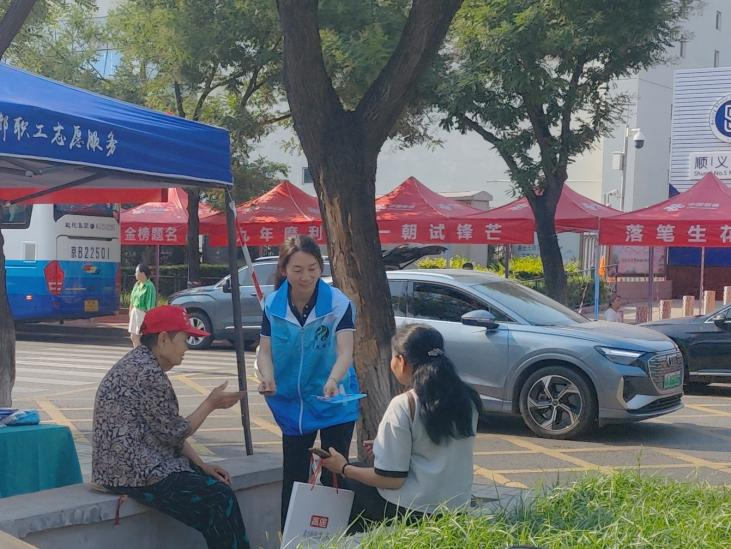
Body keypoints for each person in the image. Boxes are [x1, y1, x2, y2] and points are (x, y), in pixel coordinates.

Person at [92, 305, 250, 549]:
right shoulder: (148, 374)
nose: (187, 348)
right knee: (219, 498)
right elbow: (177, 432)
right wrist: (210, 403)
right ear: (164, 339)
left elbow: (167, 431)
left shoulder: (140, 363)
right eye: (184, 339)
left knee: (215, 498)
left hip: (128, 466)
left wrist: (202, 465)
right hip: (132, 473)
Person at [320, 324, 482, 532]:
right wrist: (384, 447)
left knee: (349, 484)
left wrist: (343, 468)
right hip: (456, 507)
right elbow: (435, 448)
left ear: (401, 361)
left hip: (413, 510)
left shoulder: (405, 404)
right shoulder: (468, 399)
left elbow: (391, 480)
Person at [255, 235, 360, 529]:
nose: (306, 276)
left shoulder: (338, 303)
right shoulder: (273, 304)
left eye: (312, 269)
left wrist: (333, 379)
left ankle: (336, 537)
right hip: (292, 404)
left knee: (334, 475)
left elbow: (346, 351)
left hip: (333, 400)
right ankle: (290, 539)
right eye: (298, 269)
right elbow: (265, 350)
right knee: (294, 476)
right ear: (284, 270)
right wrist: (268, 376)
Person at [129, 263, 156, 347]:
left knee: (140, 337)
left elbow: (150, 304)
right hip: (135, 312)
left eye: (136, 272)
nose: (135, 274)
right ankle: (136, 352)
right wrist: (130, 311)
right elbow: (132, 300)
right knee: (133, 336)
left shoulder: (149, 286)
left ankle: (141, 353)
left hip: (142, 313)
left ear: (143, 273)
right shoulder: (137, 284)